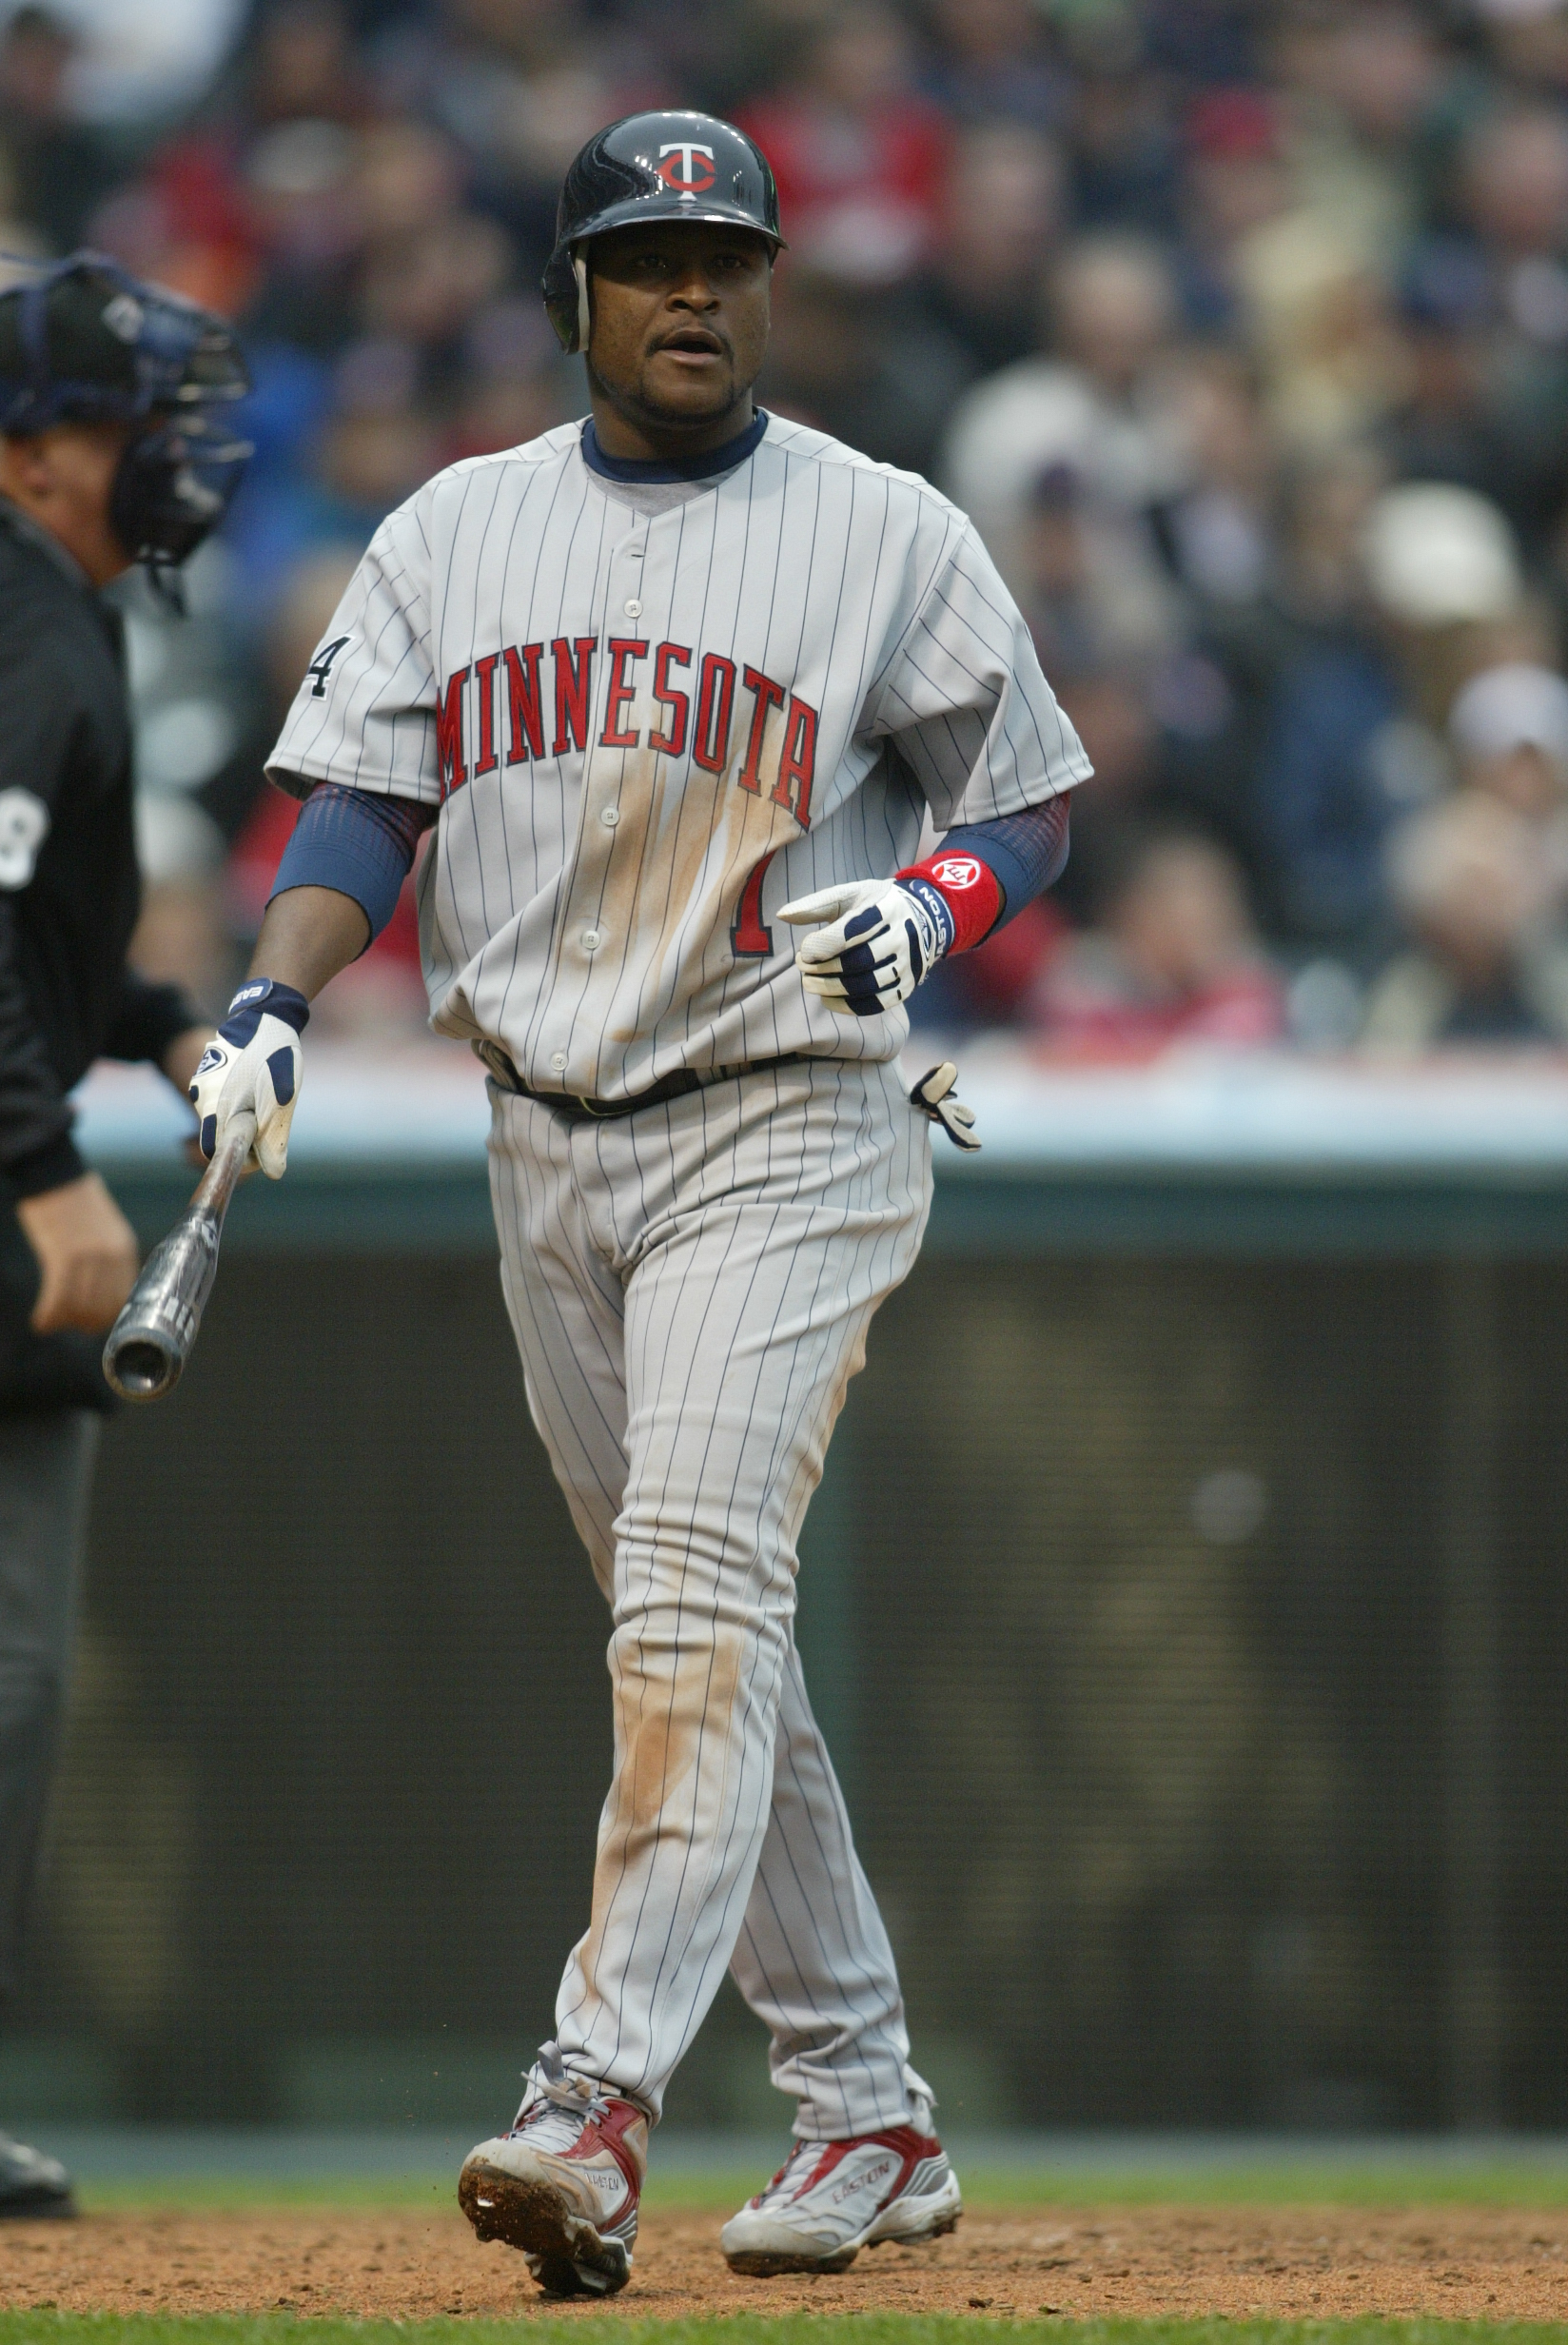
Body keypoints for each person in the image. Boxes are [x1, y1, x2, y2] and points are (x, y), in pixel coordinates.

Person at [190, 111, 1088, 2296]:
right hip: (543, 1129)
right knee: (698, 1643)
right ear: (575, 289)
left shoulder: (878, 527)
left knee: (689, 1599)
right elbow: (355, 805)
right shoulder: (455, 528)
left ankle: (589, 2096)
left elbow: (1029, 796)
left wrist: (935, 893)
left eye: (727, 254)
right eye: (649, 254)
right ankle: (867, 2104)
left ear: (768, 285)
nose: (694, 288)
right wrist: (273, 997)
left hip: (785, 1111)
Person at [0, 253, 247, 2209]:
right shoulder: (13, 611)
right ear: (26, 452)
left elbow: (38, 944)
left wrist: (155, 1024)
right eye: (120, 414)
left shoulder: (49, 612)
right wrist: (36, 1154)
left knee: (20, 1671)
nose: (167, 446)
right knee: (8, 1669)